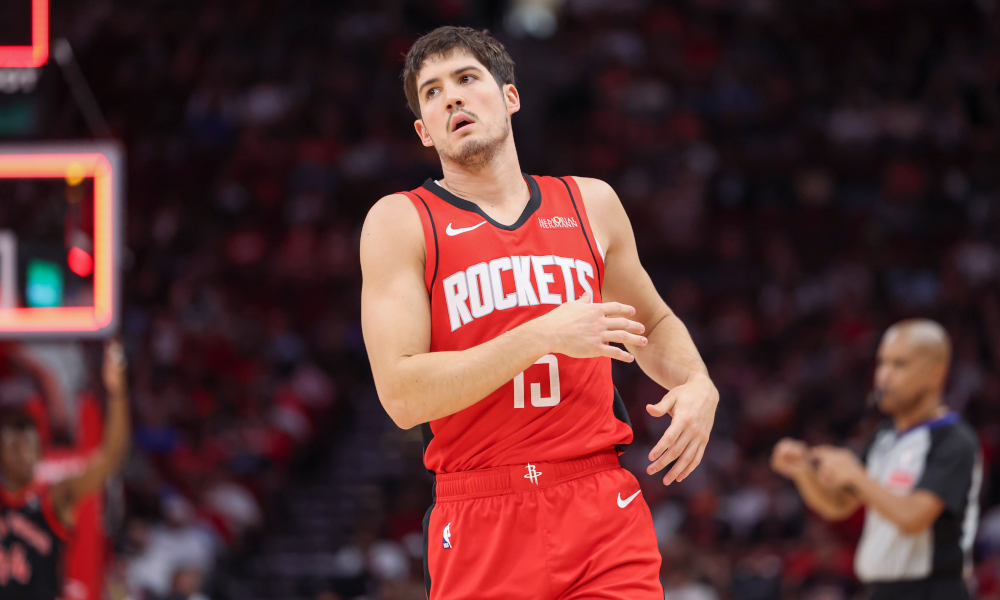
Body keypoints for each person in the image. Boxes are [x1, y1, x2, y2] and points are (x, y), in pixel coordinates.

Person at [360, 26, 719, 599]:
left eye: (467, 79)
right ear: (424, 131)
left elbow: (650, 324)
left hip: (600, 502)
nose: (451, 96)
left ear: (510, 97)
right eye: (432, 92)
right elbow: (402, 397)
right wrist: (538, 335)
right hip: (482, 513)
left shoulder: (590, 202)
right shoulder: (401, 221)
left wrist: (698, 382)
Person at [771, 319, 981, 600]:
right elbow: (839, 505)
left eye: (899, 364)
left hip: (932, 590)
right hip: (881, 590)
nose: (883, 376)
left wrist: (856, 474)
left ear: (935, 373)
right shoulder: (884, 436)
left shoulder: (955, 441)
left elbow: (913, 517)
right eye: (882, 363)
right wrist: (802, 472)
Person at [0, 340, 130, 600]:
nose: (26, 452)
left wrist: (117, 394)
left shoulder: (53, 498)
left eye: (30, 444)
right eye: (16, 444)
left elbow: (109, 458)